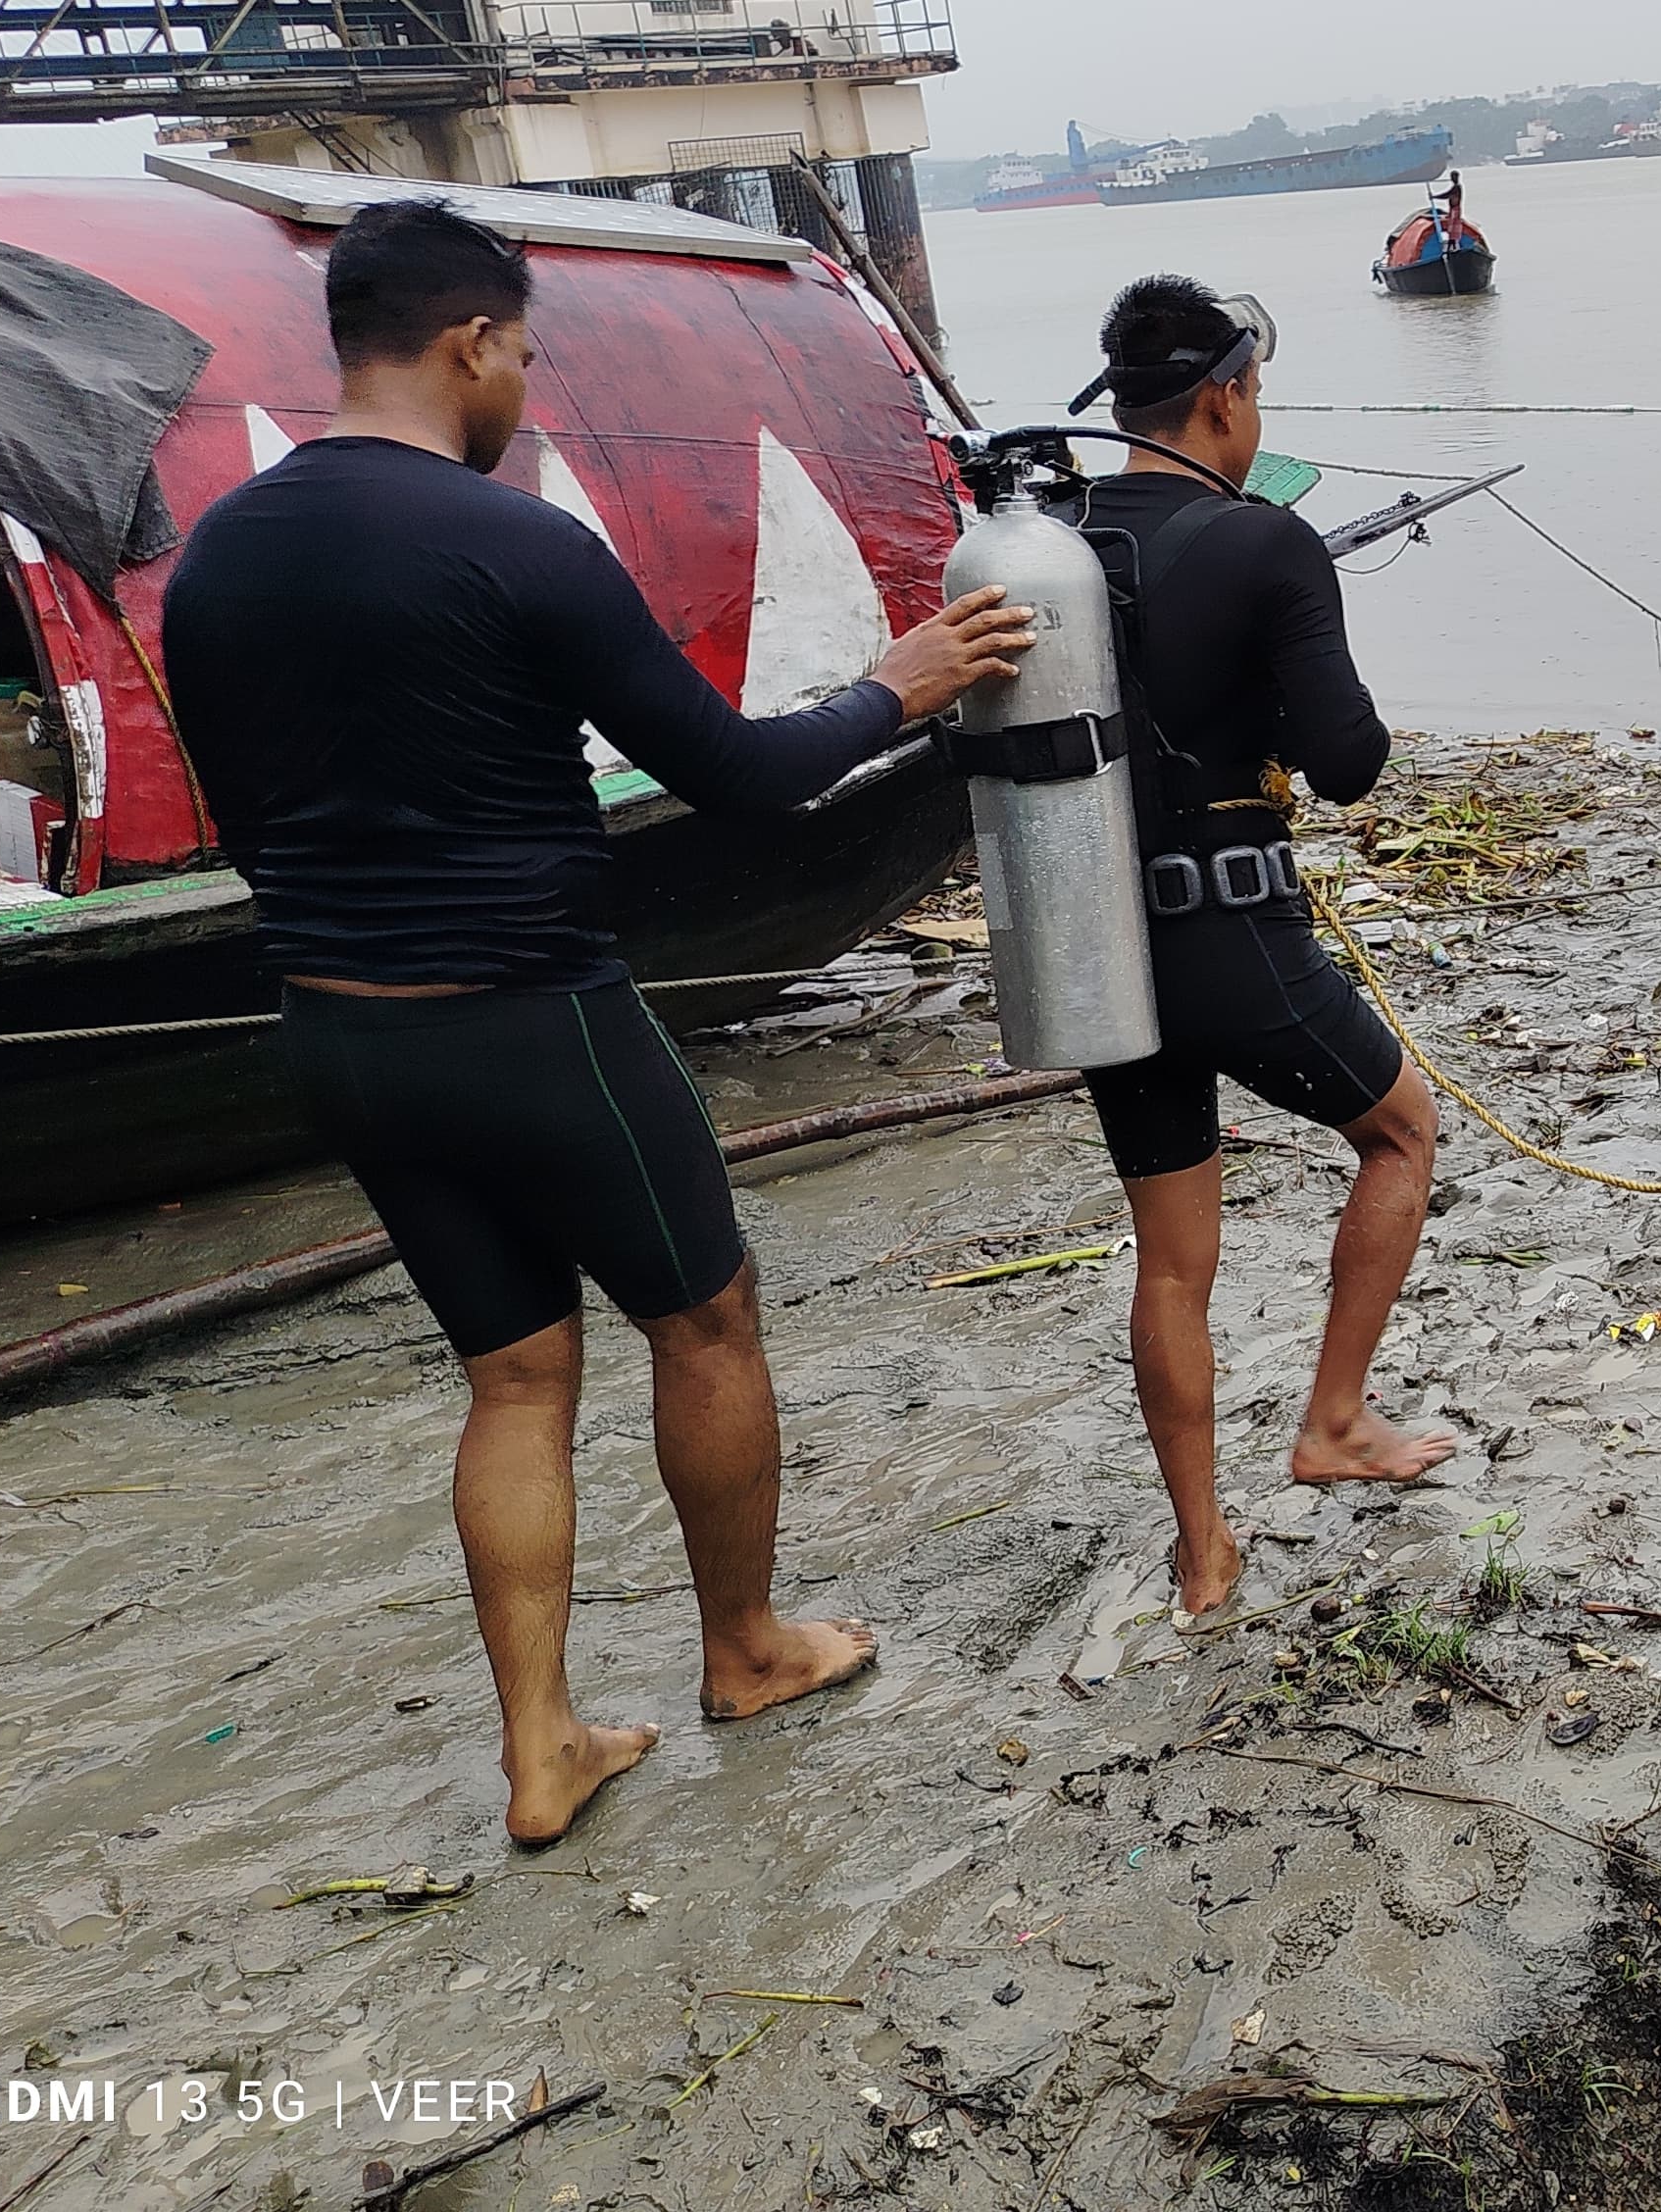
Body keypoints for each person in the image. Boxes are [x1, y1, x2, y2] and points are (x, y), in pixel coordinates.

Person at [160, 201, 1037, 1846]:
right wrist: (902, 682)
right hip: (531, 1019)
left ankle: (542, 1747)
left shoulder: (217, 553)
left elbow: (249, 824)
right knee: (704, 1323)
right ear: (472, 342)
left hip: (340, 1034)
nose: (526, 385)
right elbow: (748, 781)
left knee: (511, 1379)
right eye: (526, 353)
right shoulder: (523, 546)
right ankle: (746, 1648)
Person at [1060, 276, 1452, 1619]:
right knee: (1402, 1132)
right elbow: (1349, 761)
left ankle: (1202, 1549)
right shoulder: (1265, 540)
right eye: (1255, 394)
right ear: (1224, 396)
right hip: (1231, 929)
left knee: (1172, 1259)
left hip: (1096, 948)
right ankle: (1334, 1420)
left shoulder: (1049, 541)